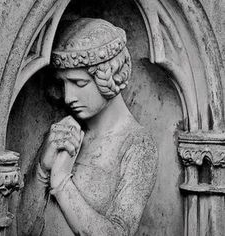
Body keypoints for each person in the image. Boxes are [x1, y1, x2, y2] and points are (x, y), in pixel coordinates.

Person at [17, 18, 157, 236]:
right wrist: (41, 171)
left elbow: (118, 233)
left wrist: (62, 184)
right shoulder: (61, 134)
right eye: (63, 83)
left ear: (109, 75)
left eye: (79, 83)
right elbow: (25, 230)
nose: (68, 96)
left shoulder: (137, 145)